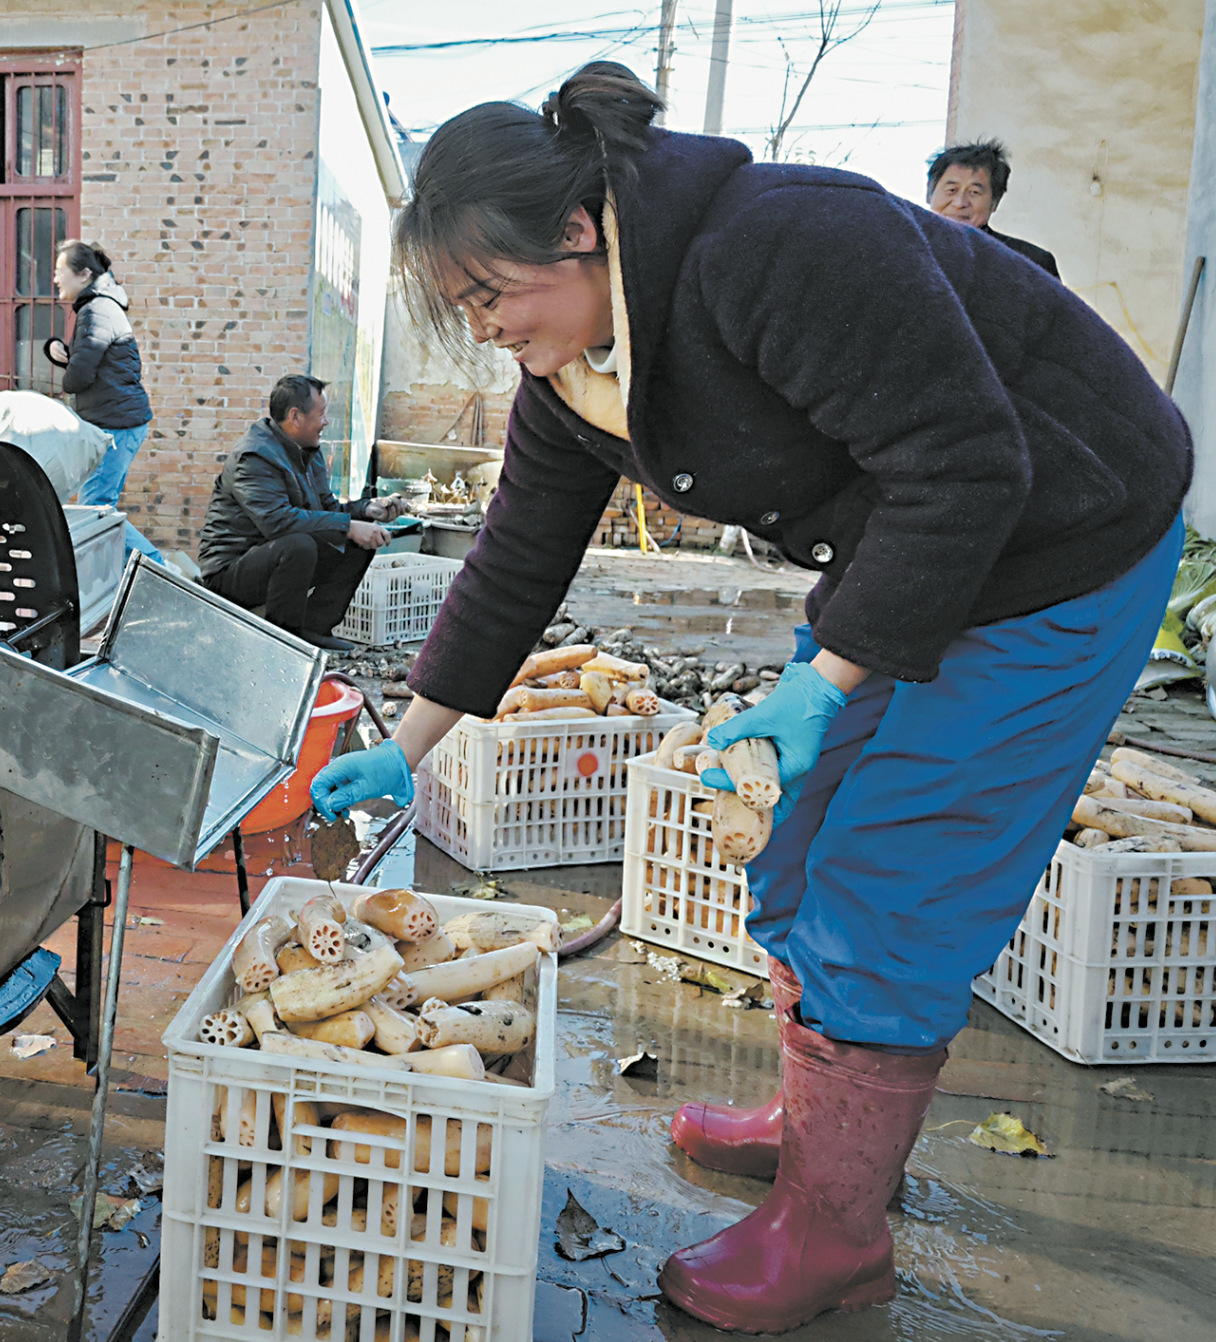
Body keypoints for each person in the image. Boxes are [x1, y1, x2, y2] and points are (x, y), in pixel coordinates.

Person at [309, 62, 1188, 1334]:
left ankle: (837, 1236)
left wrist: (823, 679)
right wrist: (411, 740)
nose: (488, 328)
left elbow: (964, 464)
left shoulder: (781, 242)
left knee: (896, 874)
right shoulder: (576, 368)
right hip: (920, 546)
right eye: (466, 310)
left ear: (577, 229)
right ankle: (818, 1127)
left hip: (1064, 541)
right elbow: (515, 555)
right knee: (788, 827)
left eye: (491, 295)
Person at [199, 375, 400, 651]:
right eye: (322, 414)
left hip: (277, 555)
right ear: (295, 416)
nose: (326, 422)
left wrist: (367, 510)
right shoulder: (254, 457)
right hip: (230, 570)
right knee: (301, 544)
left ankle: (314, 629)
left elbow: (326, 510)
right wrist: (349, 525)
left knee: (356, 539)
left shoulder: (309, 450)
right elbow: (278, 522)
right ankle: (285, 641)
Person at [43, 240, 163, 562]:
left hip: (116, 427)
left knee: (96, 510)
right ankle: (134, 578)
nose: (54, 279)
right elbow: (90, 364)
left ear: (83, 275)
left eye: (59, 271)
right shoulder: (100, 307)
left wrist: (68, 374)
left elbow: (79, 378)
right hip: (118, 422)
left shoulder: (96, 310)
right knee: (100, 508)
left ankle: (158, 569)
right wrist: (66, 358)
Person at [926, 139, 1060, 278]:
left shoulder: (1032, 262)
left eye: (974, 192)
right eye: (952, 190)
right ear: (929, 194)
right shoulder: (907, 248)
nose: (960, 203)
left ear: (995, 202)